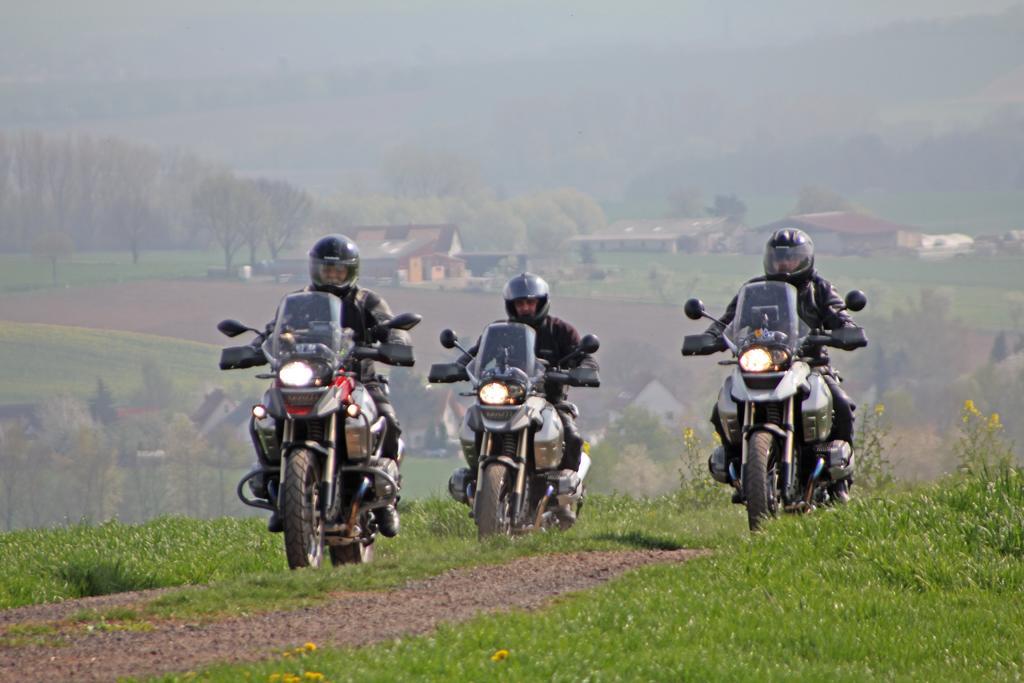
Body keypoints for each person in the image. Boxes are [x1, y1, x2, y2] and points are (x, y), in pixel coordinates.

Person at [254, 234, 411, 536]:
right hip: (304, 377)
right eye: (327, 270)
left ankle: (386, 501)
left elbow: (392, 327)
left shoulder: (368, 301)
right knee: (265, 417)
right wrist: (254, 346)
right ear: (315, 270)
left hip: (359, 377)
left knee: (388, 420)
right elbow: (272, 332)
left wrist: (395, 341)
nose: (333, 276)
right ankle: (278, 492)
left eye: (339, 271)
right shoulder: (298, 302)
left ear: (350, 272)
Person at [705, 228, 861, 502]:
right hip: (761, 363)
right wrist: (709, 337)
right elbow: (726, 321)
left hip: (810, 365)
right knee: (723, 407)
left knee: (842, 405)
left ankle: (840, 482)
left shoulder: (820, 289)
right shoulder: (754, 291)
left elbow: (840, 316)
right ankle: (736, 465)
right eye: (779, 257)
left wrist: (845, 329)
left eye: (792, 257)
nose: (785, 263)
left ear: (806, 259)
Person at [460, 273, 599, 487]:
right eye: (520, 303)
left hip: (550, 400)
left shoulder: (560, 330)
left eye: (530, 302)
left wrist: (584, 370)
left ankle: (567, 489)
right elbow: (475, 356)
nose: (525, 307)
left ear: (541, 303)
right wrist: (455, 367)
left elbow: (585, 356)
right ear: (511, 305)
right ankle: (478, 477)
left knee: (571, 435)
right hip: (508, 399)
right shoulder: (500, 333)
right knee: (475, 422)